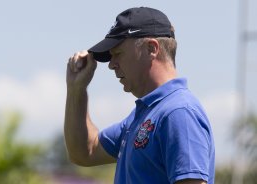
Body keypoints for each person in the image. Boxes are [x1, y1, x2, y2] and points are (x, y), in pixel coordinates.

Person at [64, 7, 215, 184]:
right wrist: (76, 89)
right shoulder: (143, 115)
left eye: (118, 54)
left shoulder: (179, 112)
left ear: (152, 48)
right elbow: (84, 152)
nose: (112, 65)